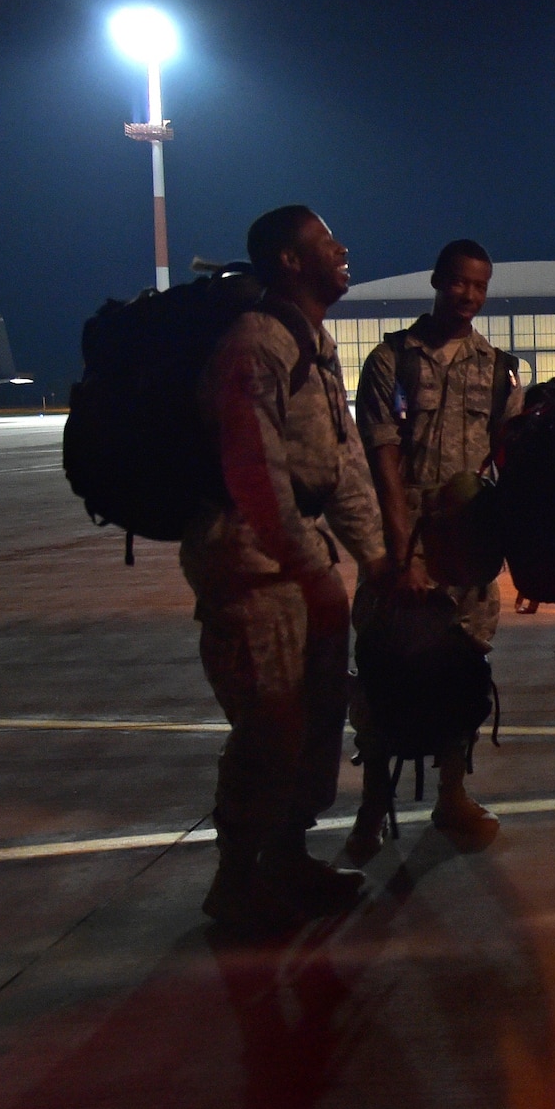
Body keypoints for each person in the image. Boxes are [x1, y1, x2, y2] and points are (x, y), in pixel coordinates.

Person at [185, 205, 389, 931]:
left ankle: (289, 859)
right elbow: (257, 474)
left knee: (315, 720)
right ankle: (236, 881)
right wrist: (310, 571)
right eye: (326, 242)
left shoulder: (313, 342)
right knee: (270, 726)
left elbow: (341, 465)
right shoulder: (254, 345)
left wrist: (377, 557)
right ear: (289, 260)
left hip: (300, 560)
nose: (342, 249)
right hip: (253, 564)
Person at [345, 240, 523, 859]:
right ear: (436, 280)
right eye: (458, 283)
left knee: (463, 670)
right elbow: (383, 460)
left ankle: (452, 796)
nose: (468, 296)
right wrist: (402, 555)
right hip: (407, 544)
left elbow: (505, 462)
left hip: (467, 552)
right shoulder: (392, 359)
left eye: (479, 286)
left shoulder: (499, 367)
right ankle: (372, 804)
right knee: (383, 669)